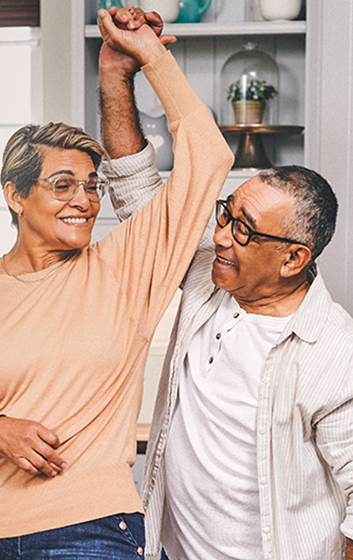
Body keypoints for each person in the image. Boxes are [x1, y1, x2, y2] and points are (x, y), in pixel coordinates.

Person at [0, 6, 233, 559]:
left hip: (89, 526)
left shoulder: (125, 268)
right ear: (15, 194)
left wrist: (149, 55)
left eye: (91, 186)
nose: (85, 200)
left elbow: (208, 156)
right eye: (62, 184)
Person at [99, 11, 353, 560]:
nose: (220, 236)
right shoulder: (208, 279)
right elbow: (138, 193)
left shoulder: (334, 350)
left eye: (243, 229)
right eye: (225, 214)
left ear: (292, 259)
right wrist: (116, 77)